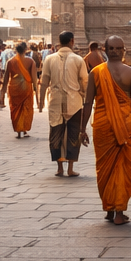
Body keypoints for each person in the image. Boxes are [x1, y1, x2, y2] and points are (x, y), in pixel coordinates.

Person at [81, 36, 131, 224]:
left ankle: (111, 209)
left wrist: (82, 129)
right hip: (123, 122)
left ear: (122, 50)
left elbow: (88, 103)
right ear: (106, 49)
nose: (116, 51)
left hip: (105, 122)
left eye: (118, 48)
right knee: (118, 166)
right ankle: (118, 211)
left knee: (107, 167)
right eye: (113, 48)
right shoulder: (130, 72)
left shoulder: (96, 72)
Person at [41, 31, 88, 177]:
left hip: (55, 102)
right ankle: (70, 168)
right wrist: (85, 96)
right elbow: (84, 81)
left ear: (59, 41)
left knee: (56, 134)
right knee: (73, 134)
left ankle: (60, 168)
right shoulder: (78, 59)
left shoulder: (49, 59)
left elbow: (44, 82)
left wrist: (40, 100)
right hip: (74, 102)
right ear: (72, 41)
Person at [5, 42, 38, 138]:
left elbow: (6, 78)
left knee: (15, 109)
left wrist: (2, 94)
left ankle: (19, 130)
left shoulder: (10, 61)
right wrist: (36, 91)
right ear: (25, 50)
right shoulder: (30, 61)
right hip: (26, 88)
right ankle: (24, 129)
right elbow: (34, 78)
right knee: (26, 108)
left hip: (14, 87)